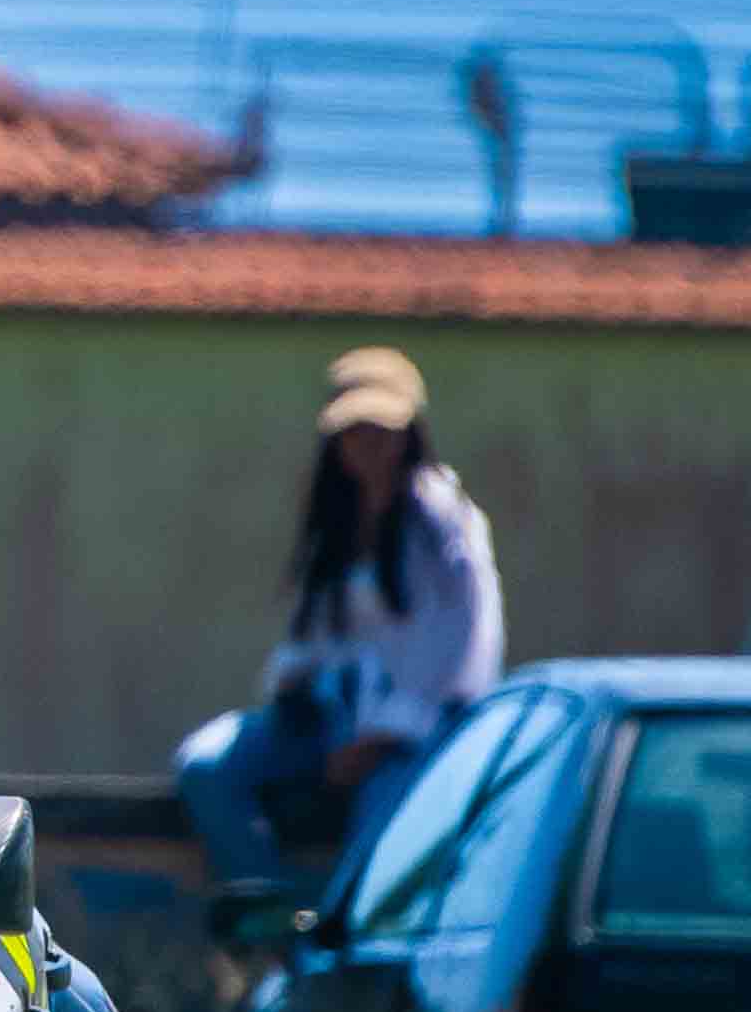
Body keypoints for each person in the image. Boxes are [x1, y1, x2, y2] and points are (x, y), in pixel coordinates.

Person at [175, 347, 505, 899]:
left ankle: (340, 934)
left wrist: (380, 738)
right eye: (354, 431)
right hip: (329, 723)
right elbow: (314, 641)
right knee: (206, 766)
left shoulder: (444, 522)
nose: (367, 445)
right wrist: (295, 687)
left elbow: (460, 644)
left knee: (379, 834)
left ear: (410, 433)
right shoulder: (334, 519)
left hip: (416, 738)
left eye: (382, 430)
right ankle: (269, 909)